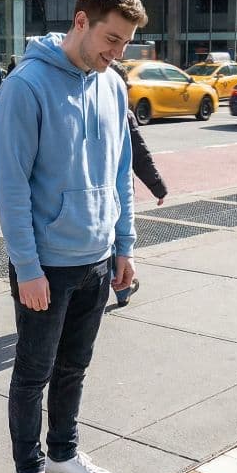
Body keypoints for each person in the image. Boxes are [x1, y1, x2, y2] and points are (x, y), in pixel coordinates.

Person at [0, 0, 144, 473]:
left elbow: (121, 171)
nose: (117, 53)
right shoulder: (26, 86)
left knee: (74, 368)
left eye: (125, 43)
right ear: (81, 21)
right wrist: (27, 266)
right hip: (46, 266)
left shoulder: (113, 84)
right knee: (33, 372)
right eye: (111, 39)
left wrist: (123, 245)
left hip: (98, 257)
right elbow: (9, 187)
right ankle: (28, 470)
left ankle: (63, 454)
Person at [108, 60, 167, 308]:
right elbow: (141, 155)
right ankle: (123, 288)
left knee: (113, 243)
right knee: (116, 243)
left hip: (110, 193)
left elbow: (138, 154)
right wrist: (158, 186)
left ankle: (121, 284)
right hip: (116, 196)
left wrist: (157, 185)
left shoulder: (120, 113)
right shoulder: (124, 113)